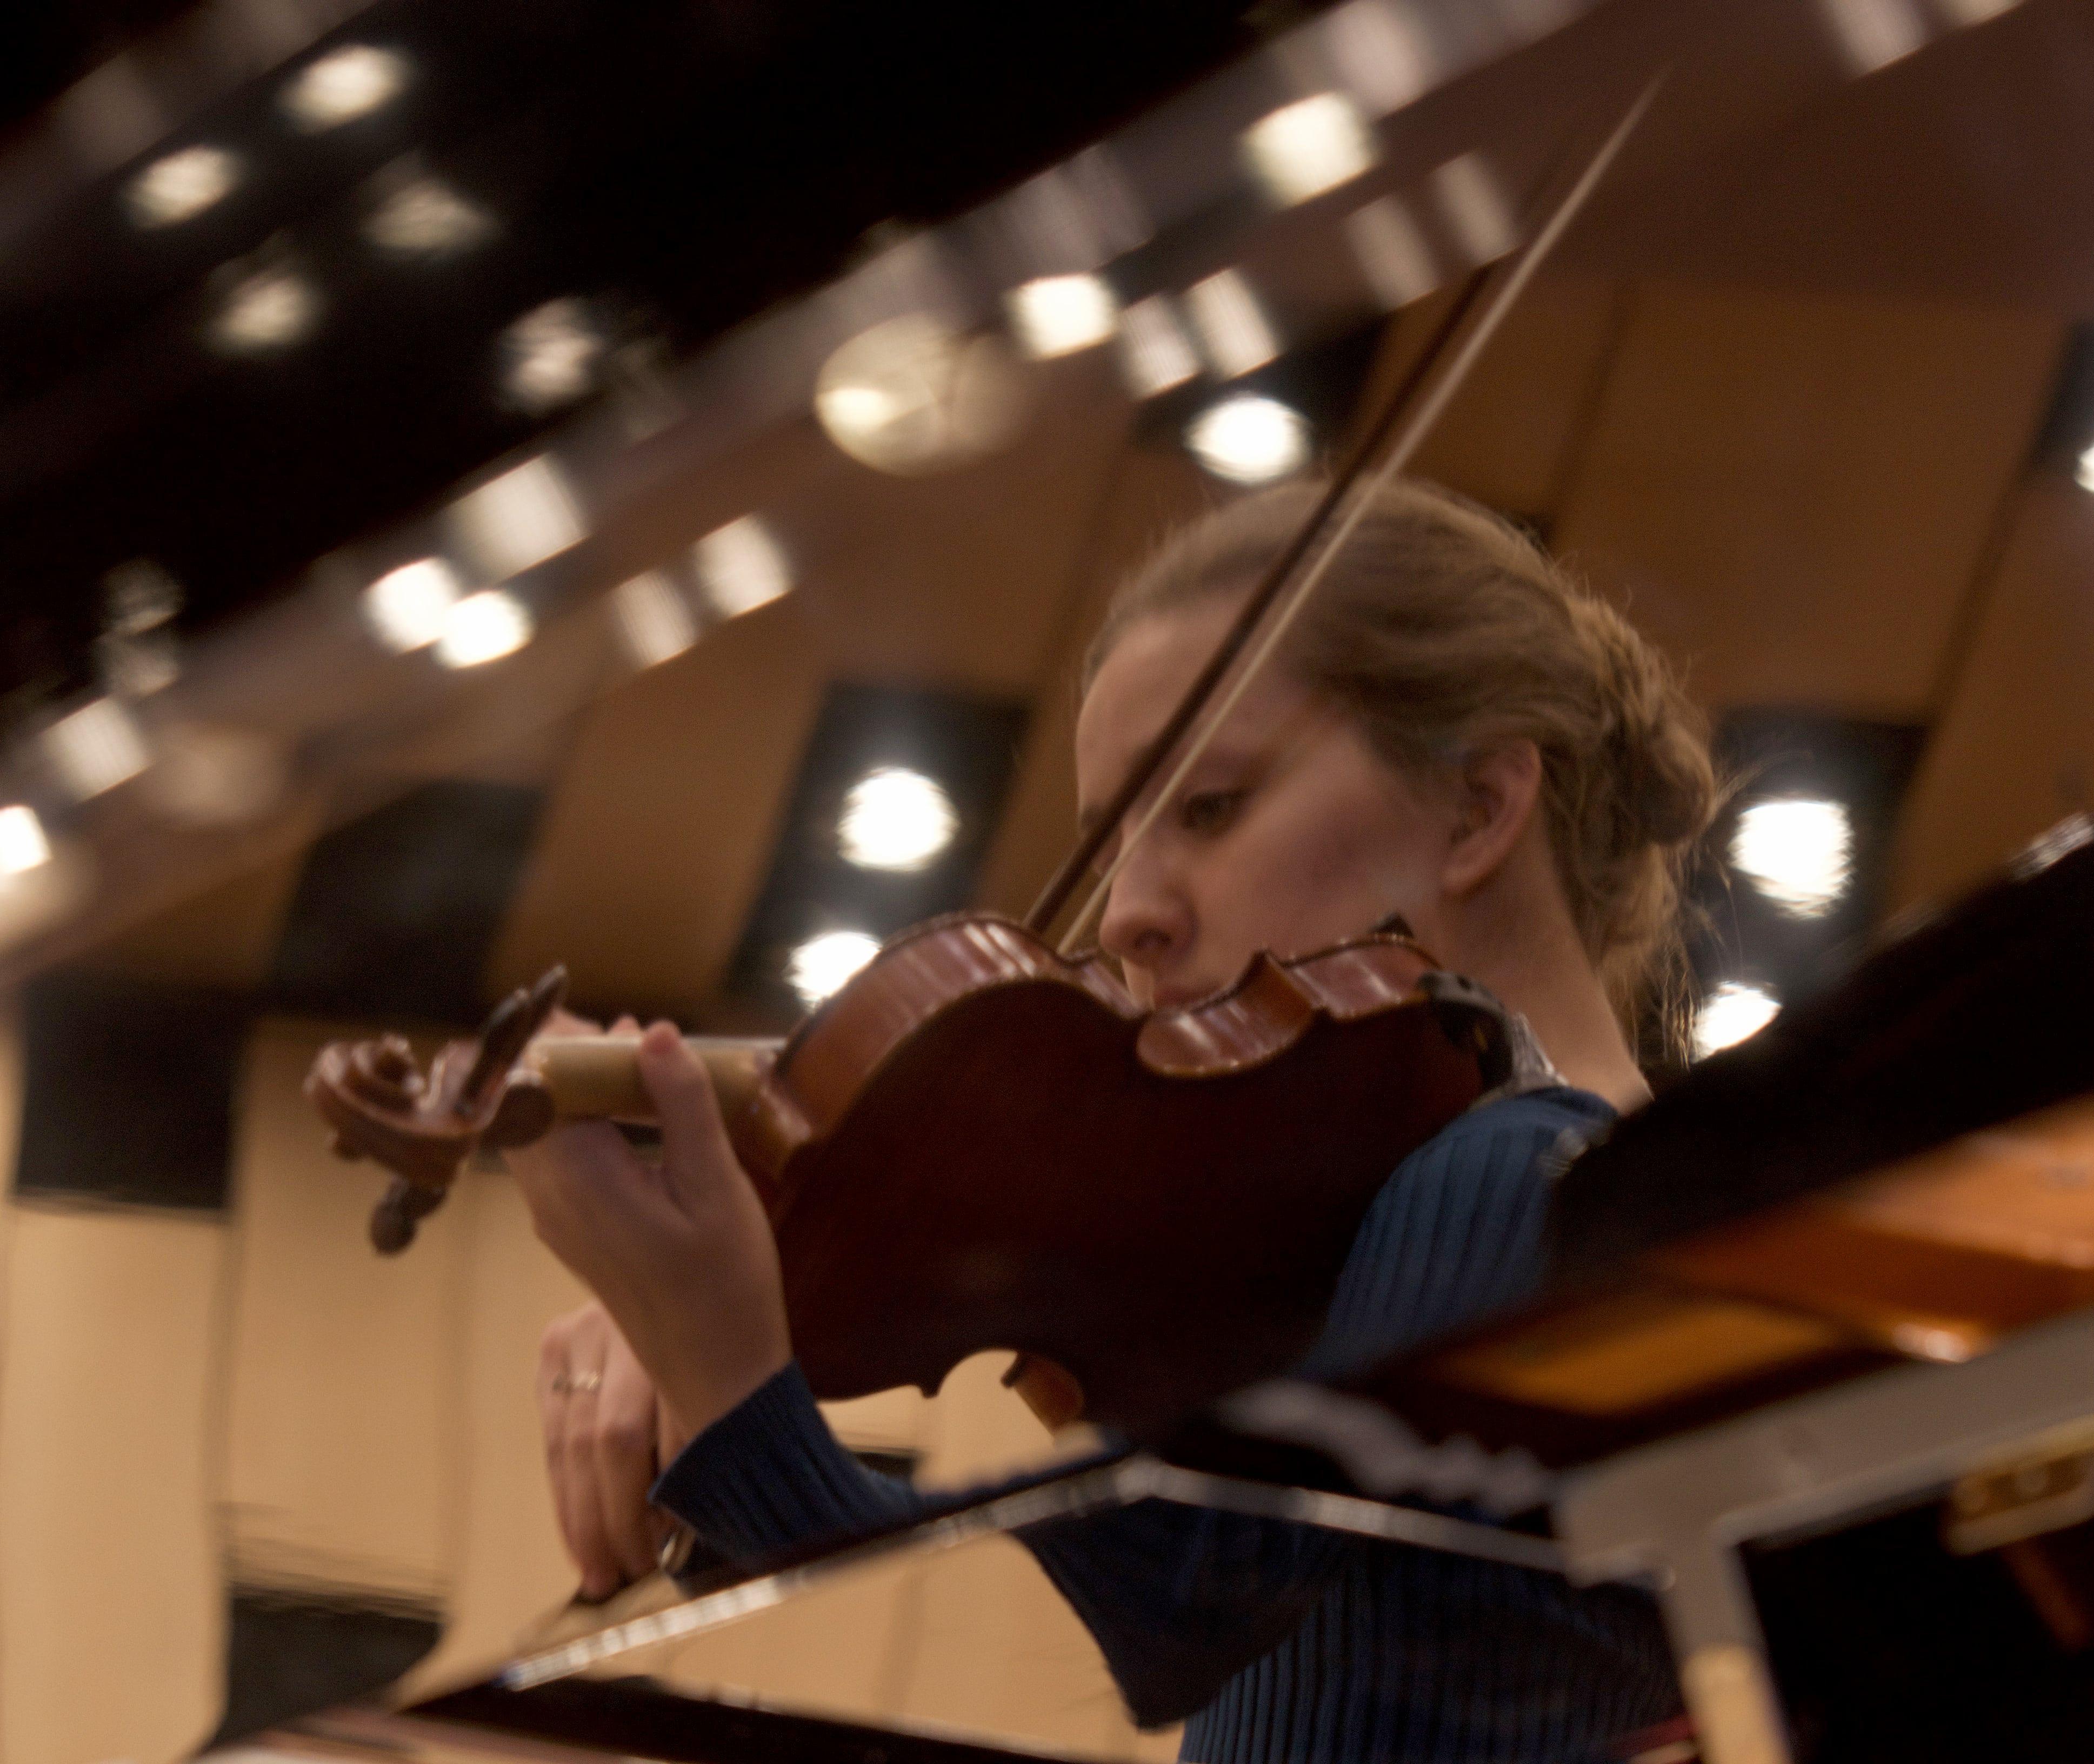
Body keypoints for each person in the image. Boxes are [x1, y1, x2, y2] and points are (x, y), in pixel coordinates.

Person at [513, 477, 1719, 1761]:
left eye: (1208, 808)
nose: (1128, 912)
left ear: (1478, 809)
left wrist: (728, 1371)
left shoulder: (1526, 1169)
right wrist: (728, 1362)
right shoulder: (1530, 1223)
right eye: (1115, 842)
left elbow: (1178, 1617)